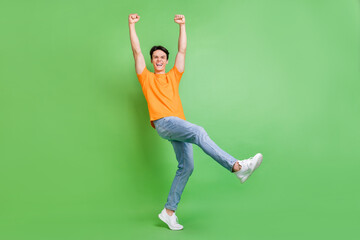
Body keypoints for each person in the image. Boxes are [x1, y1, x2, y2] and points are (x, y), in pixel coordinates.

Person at [128, 13, 263, 230]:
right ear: (152, 61)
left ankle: (168, 212)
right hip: (164, 122)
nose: (159, 60)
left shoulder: (173, 76)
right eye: (156, 58)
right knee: (199, 132)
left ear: (166, 60)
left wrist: (183, 26)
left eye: (163, 57)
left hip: (177, 125)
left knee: (187, 166)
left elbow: (182, 50)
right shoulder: (146, 77)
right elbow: (136, 51)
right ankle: (237, 166)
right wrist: (131, 25)